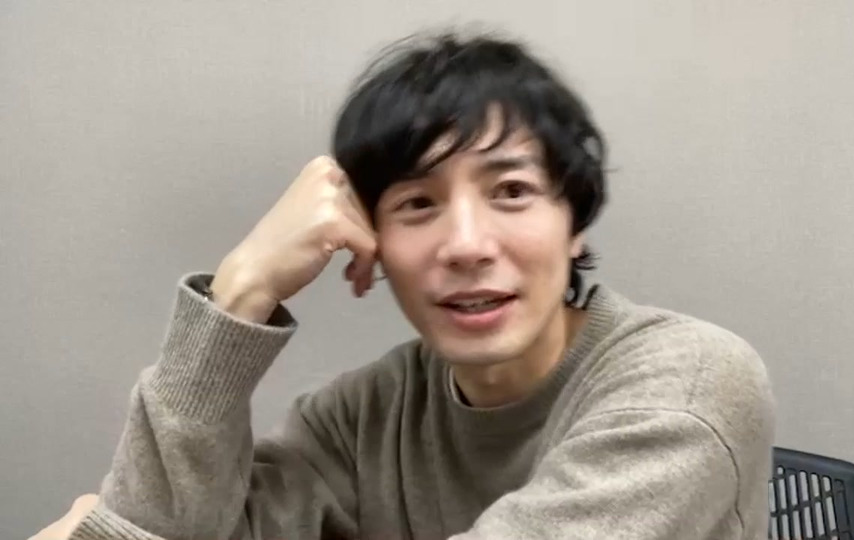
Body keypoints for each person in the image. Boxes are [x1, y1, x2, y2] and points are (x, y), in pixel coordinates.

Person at [39, 32, 775, 540]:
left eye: (511, 191)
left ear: (574, 222)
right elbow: (163, 525)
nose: (467, 245)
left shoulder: (690, 385)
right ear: (372, 243)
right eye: (418, 204)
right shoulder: (360, 419)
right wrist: (242, 287)